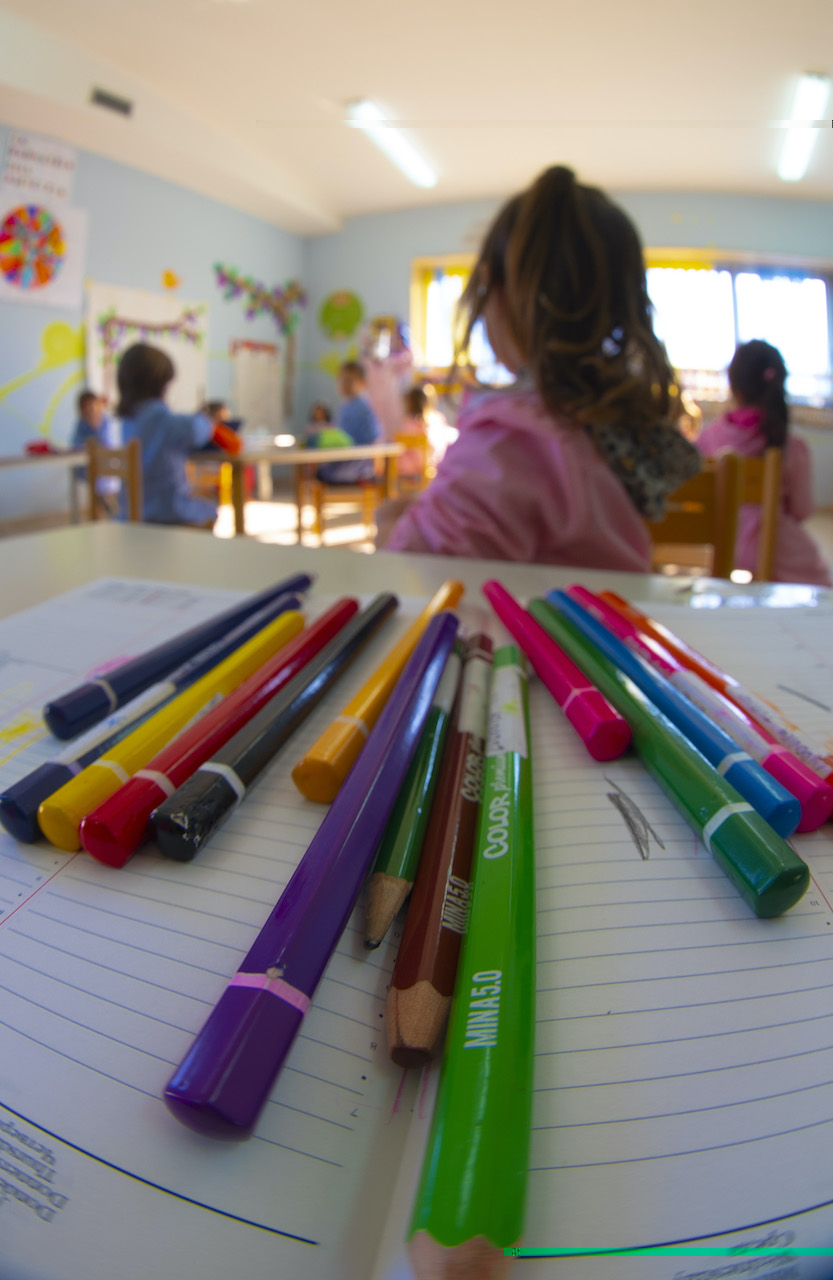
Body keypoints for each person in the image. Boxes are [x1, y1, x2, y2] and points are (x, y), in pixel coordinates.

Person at [376, 165, 701, 568]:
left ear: (494, 290)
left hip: (543, 631)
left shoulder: (508, 438)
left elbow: (422, 572)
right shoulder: (610, 424)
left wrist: (390, 529)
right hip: (606, 625)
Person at [696, 340, 831, 586]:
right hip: (778, 555)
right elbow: (803, 510)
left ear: (734, 387)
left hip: (715, 551)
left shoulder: (707, 439)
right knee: (823, 585)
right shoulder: (791, 446)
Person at [117, 344, 230, 528]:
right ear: (160, 385)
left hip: (132, 510)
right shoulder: (159, 416)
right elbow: (196, 430)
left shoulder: (128, 420)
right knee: (211, 510)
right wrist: (204, 418)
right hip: (166, 511)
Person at [317, 361, 382, 484]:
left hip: (358, 464)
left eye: (349, 381)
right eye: (341, 380)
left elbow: (372, 438)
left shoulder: (363, 407)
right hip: (344, 458)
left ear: (363, 383)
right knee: (319, 472)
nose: (344, 384)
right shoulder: (346, 407)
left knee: (321, 473)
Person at [71, 389, 121, 516]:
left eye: (92, 405)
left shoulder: (106, 422)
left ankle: (109, 504)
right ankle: (107, 505)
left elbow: (108, 445)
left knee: (103, 475)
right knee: (89, 473)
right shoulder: (81, 424)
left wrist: (96, 427)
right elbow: (76, 443)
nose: (90, 409)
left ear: (99, 406)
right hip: (88, 466)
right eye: (85, 406)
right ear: (81, 409)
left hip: (107, 463)